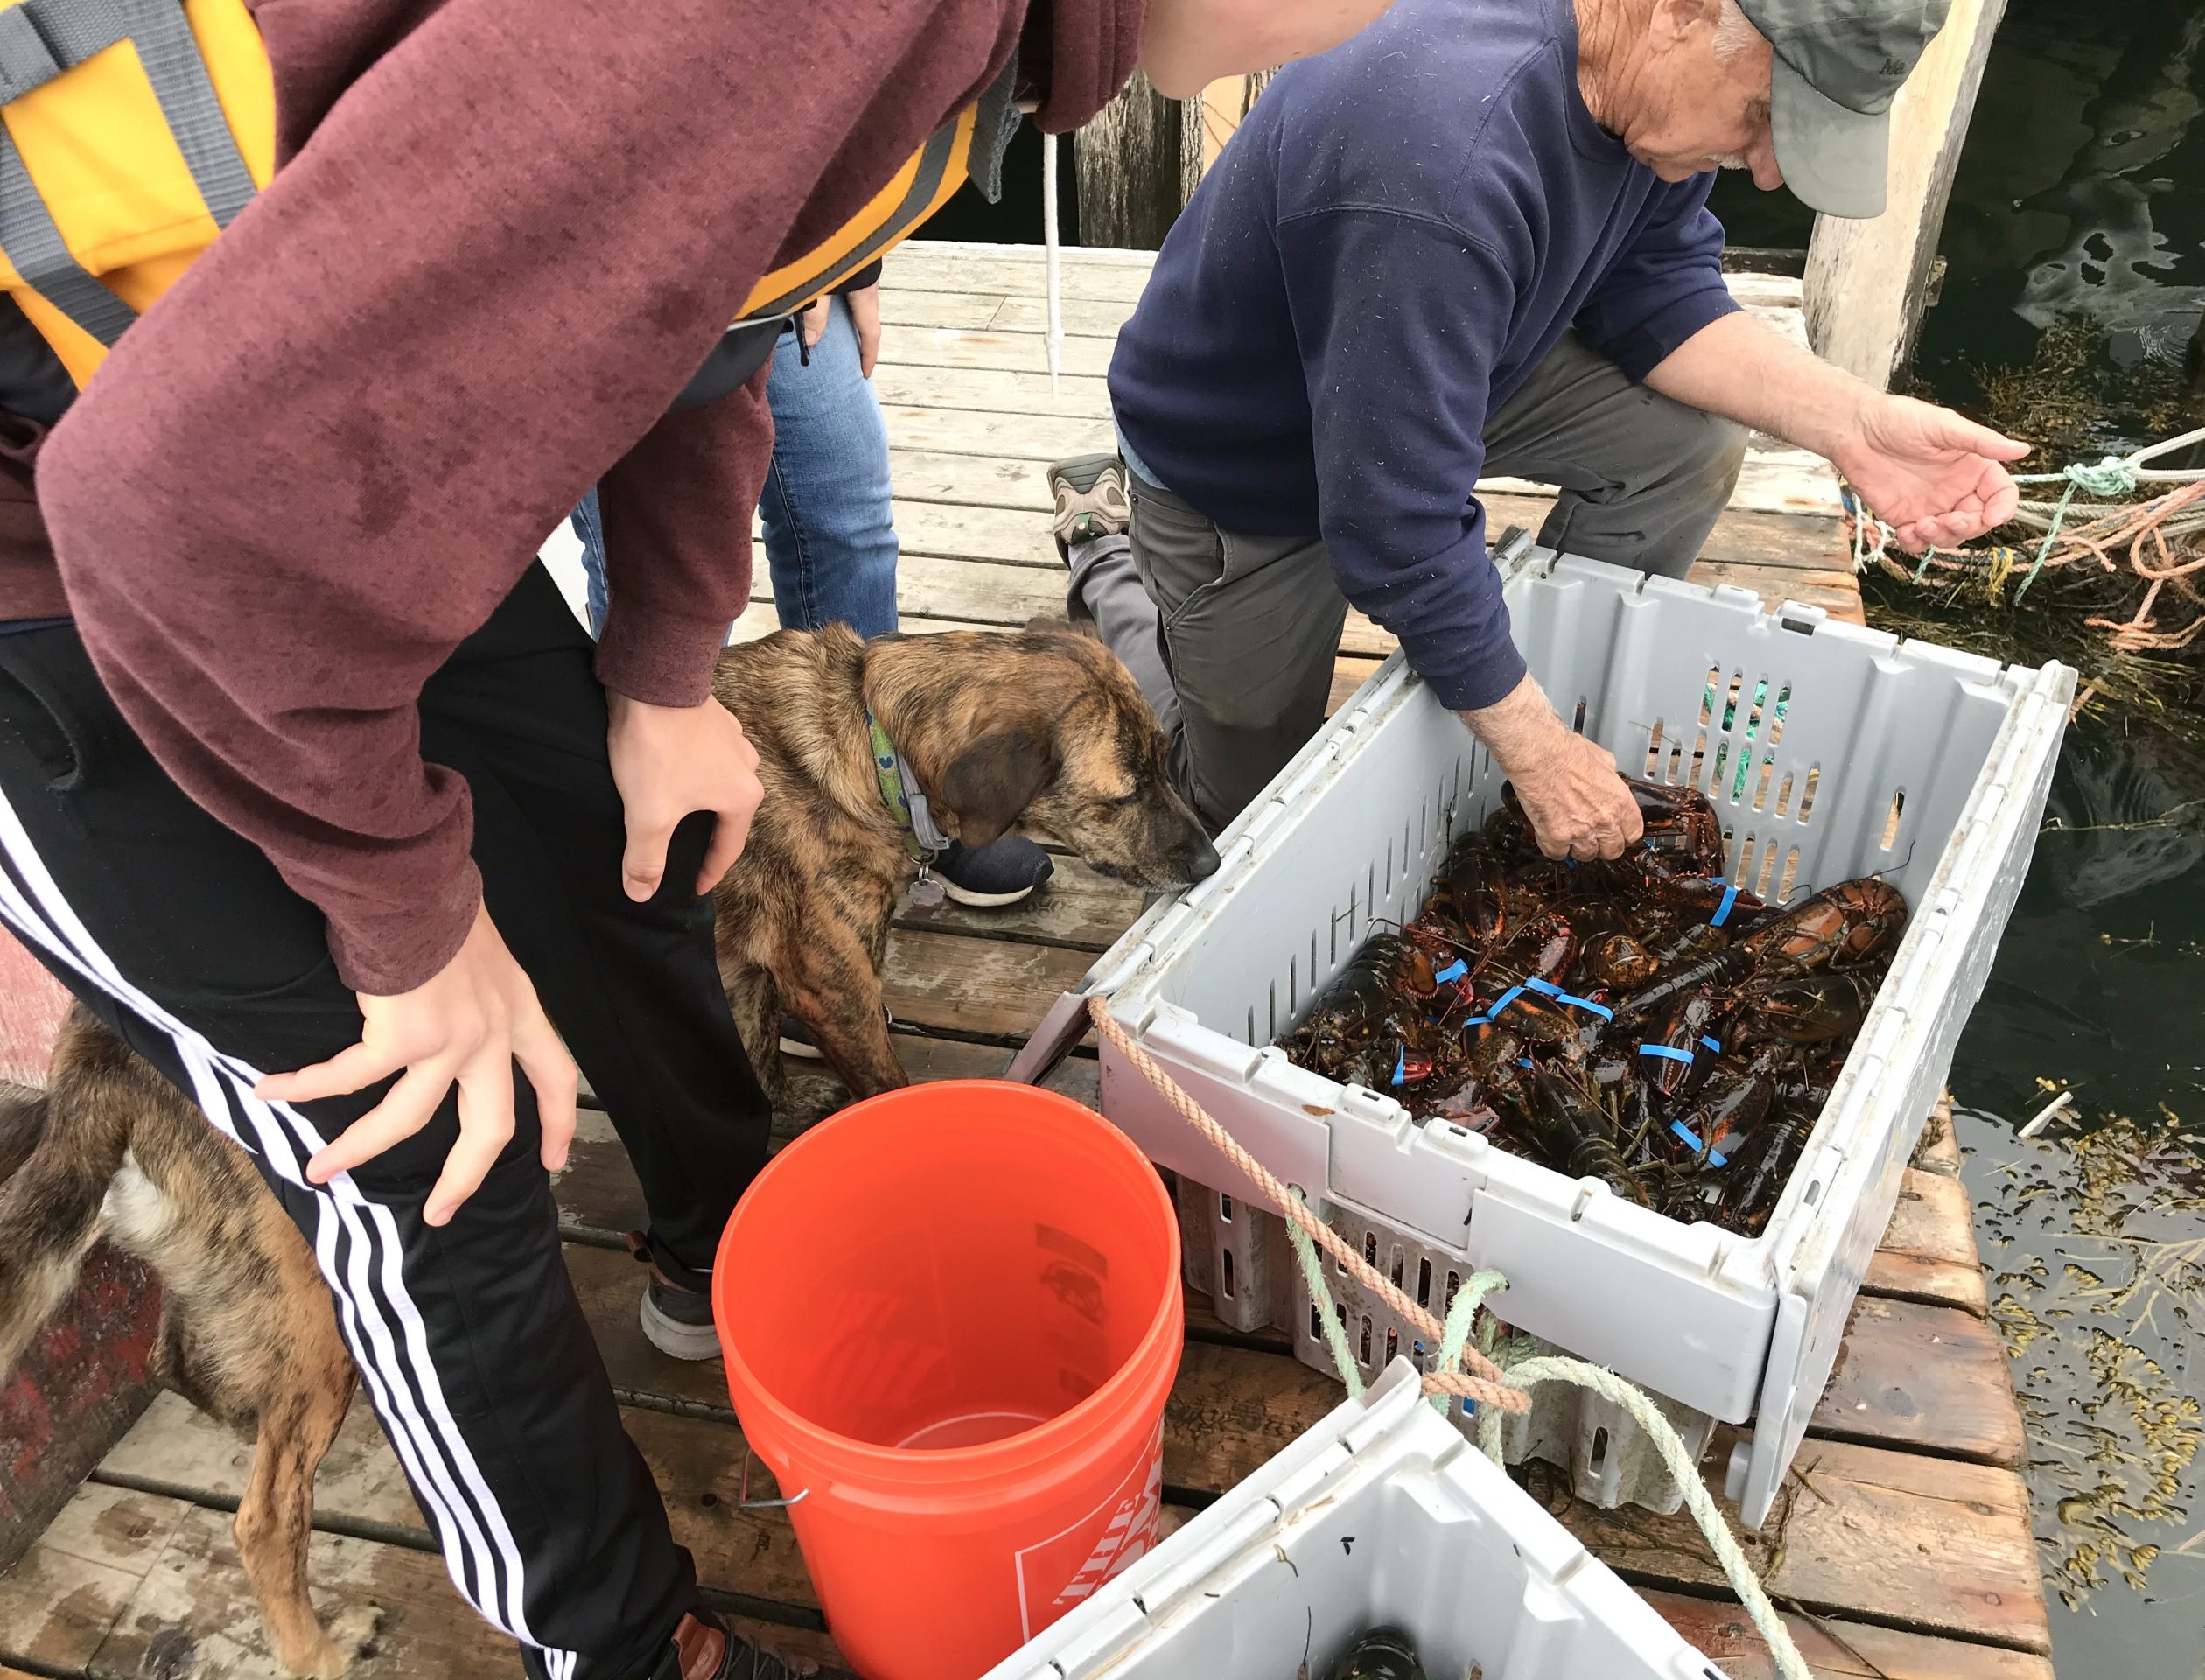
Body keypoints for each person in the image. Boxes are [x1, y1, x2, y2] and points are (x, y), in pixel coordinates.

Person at [0, 3, 1392, 1676]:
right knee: (435, 1144)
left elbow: (706, 314)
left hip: (293, 456)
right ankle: (630, 1640)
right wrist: (410, 923)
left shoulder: (964, 49)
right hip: (65, 514)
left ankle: (726, 1256)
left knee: (632, 862)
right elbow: (156, 501)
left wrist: (663, 675)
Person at [1057, 0, 2032, 857]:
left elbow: (1658, 291)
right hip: (1242, 463)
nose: (1768, 171)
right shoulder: (1437, 153)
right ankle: (1108, 552)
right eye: (1766, 116)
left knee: (1682, 446)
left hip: (1423, 377)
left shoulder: (1642, 92)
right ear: (1683, 11)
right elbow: (1393, 528)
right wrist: (1534, 748)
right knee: (1239, 810)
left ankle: (1513, 683)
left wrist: (1853, 424)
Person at [572, 267, 1055, 907]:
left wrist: (852, 256)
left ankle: (918, 808)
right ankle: (676, 845)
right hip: (609, 299)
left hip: (779, 272)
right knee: (649, 597)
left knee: (848, 521)